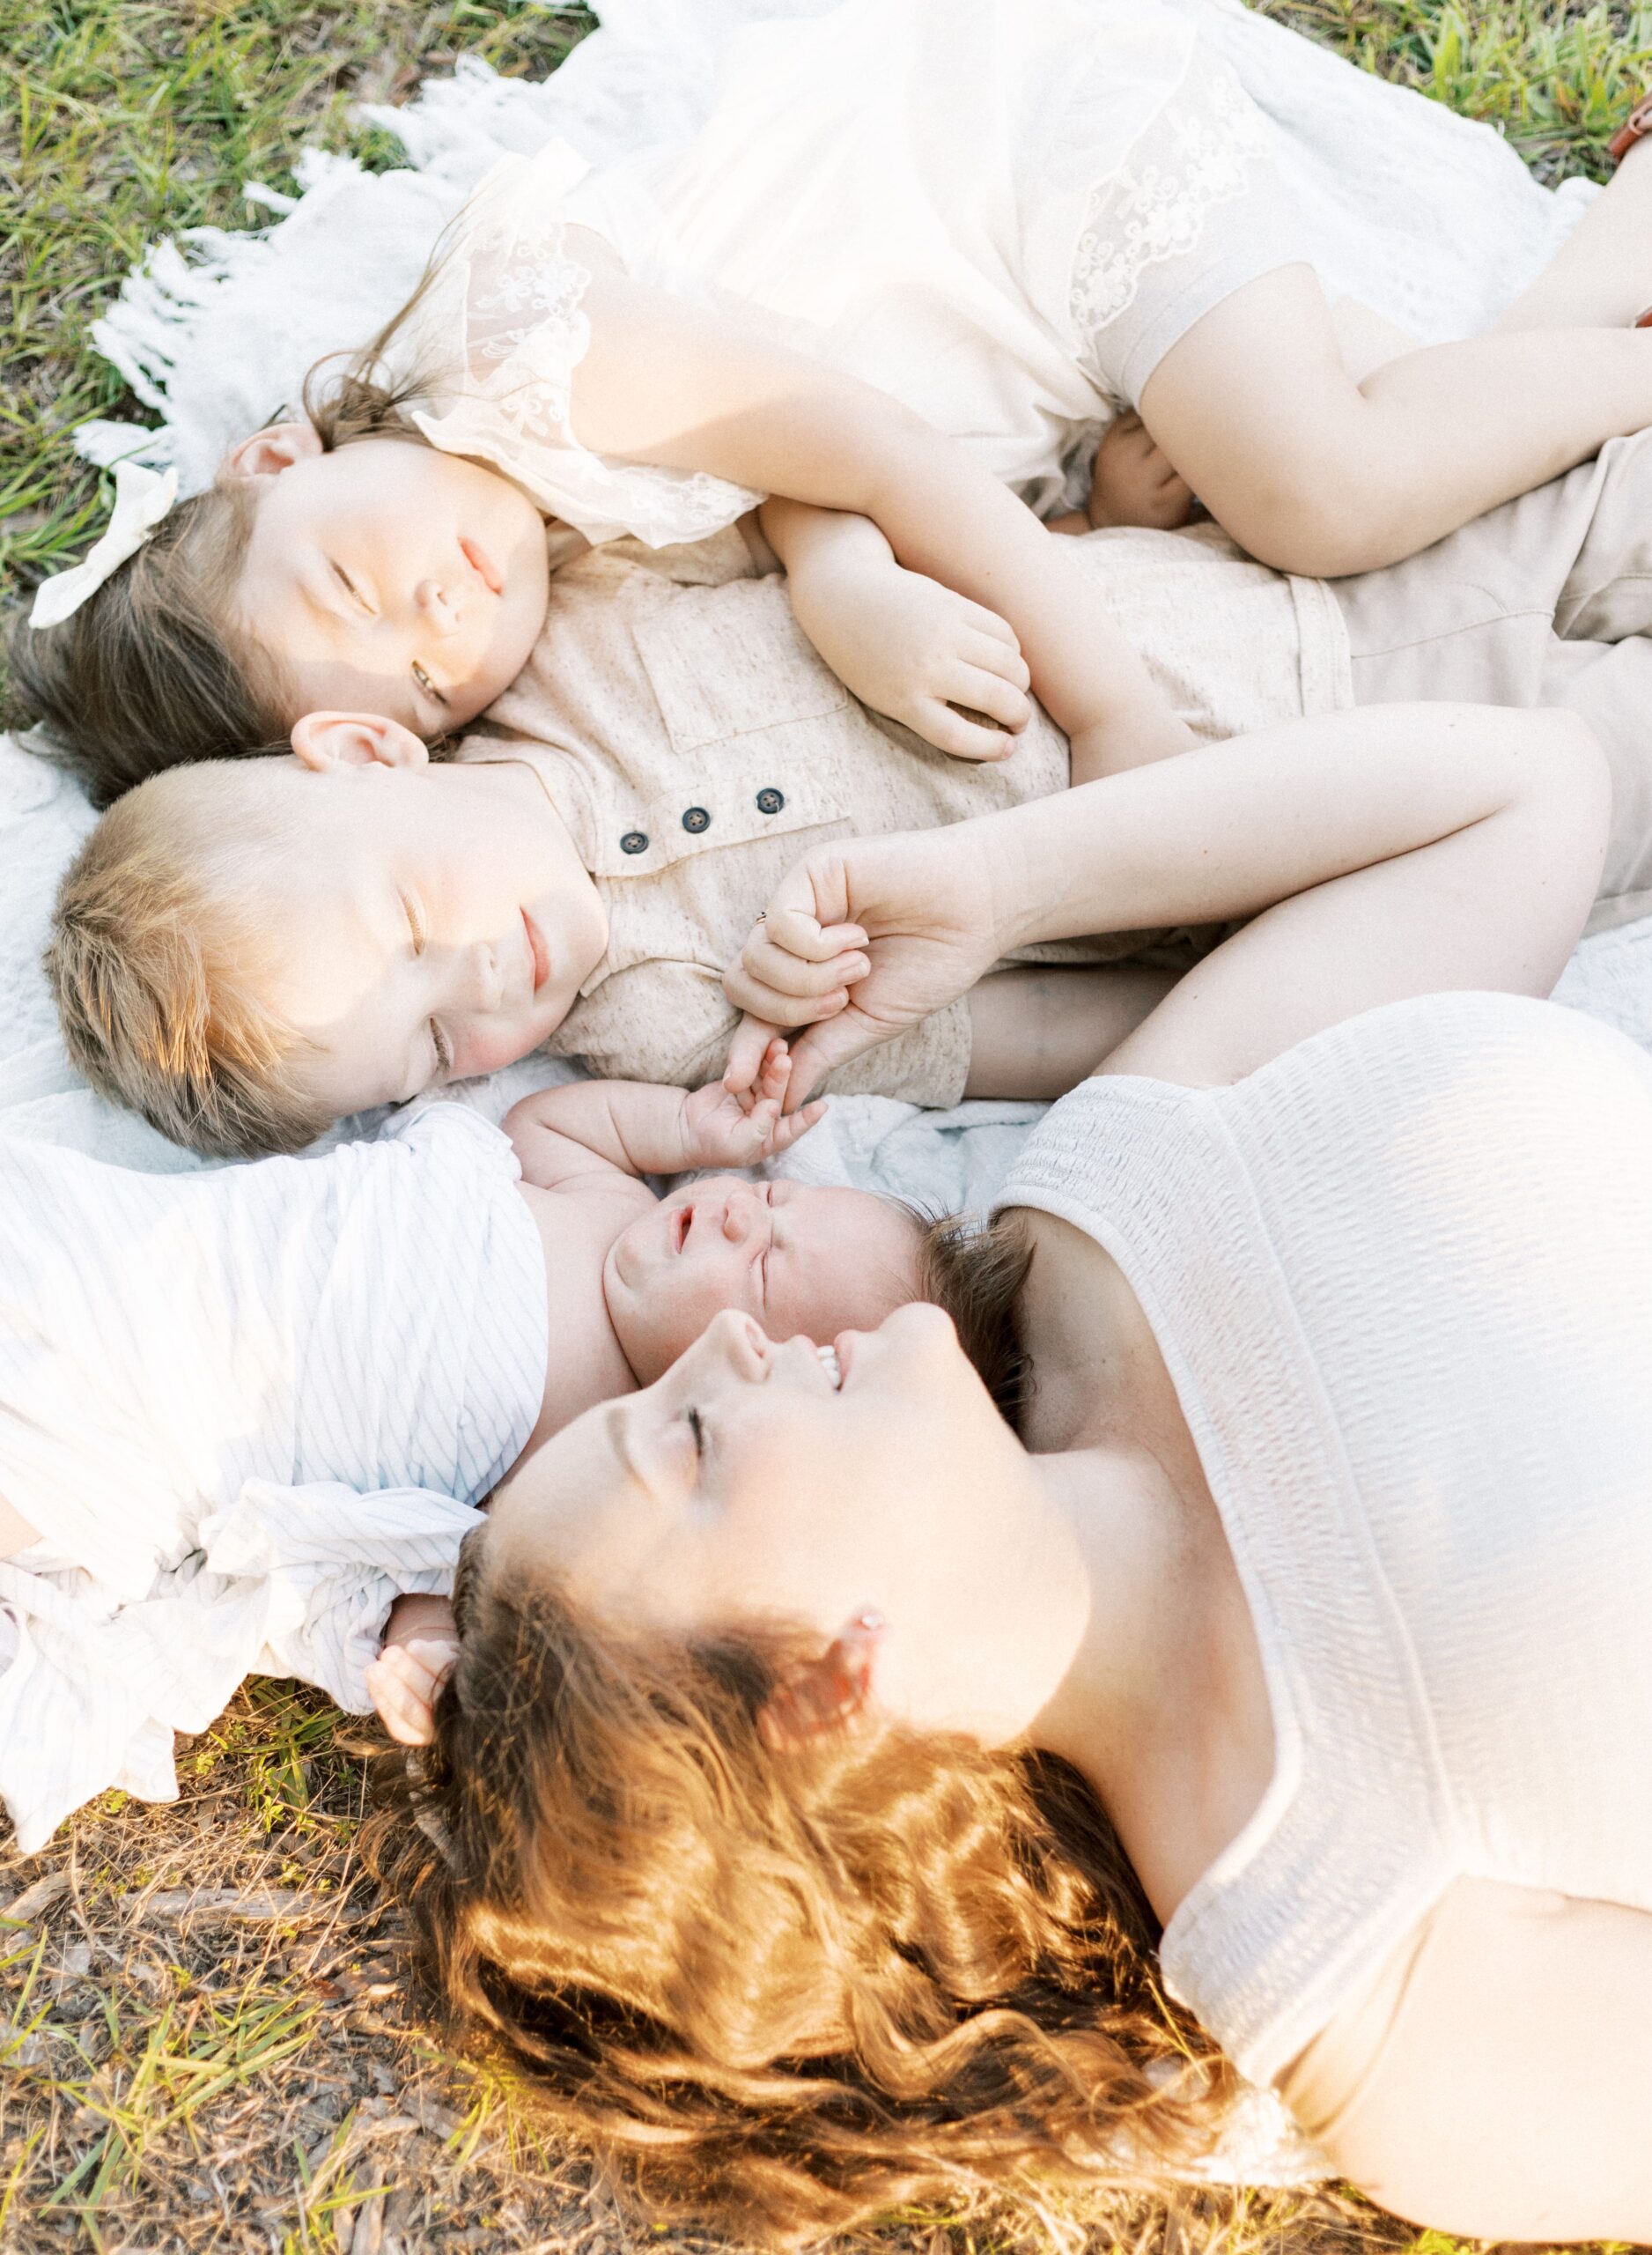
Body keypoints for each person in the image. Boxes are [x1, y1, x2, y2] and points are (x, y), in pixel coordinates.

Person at [369, 701, 1652, 2243]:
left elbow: (1518, 794)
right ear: (827, 1697)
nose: (707, 1353)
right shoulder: (1381, 1964)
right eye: (690, 1443)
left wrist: (1005, 885)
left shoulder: (1103, 1219)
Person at [20, 0, 1652, 801]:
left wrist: (1114, 713)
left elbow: (857, 442)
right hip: (1028, 332)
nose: (450, 611)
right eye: (435, 684)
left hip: (1031, 170)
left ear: (273, 456)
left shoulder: (523, 356)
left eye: (354, 579)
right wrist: (1057, 526)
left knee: (1324, 494)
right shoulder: (523, 530)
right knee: (1444, 429)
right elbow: (778, 477)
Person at [53, 420, 1652, 1155]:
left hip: (1276, 603)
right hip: (1380, 846)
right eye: (424, 1054)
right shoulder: (688, 1031)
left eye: (408, 918)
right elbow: (1045, 1039)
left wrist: (848, 579)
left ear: (366, 750)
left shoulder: (556, 630)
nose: (479, 986)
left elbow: (789, 479)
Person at [0, 1058, 935, 1853]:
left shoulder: (604, 1447)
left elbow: (440, 1565)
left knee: (46, 1461)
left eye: (766, 1270)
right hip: (185, 1252)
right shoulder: (609, 1203)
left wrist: (428, 1656)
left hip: (171, 1418)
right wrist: (687, 1124)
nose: (737, 1215)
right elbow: (550, 1121)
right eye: (776, 1194)